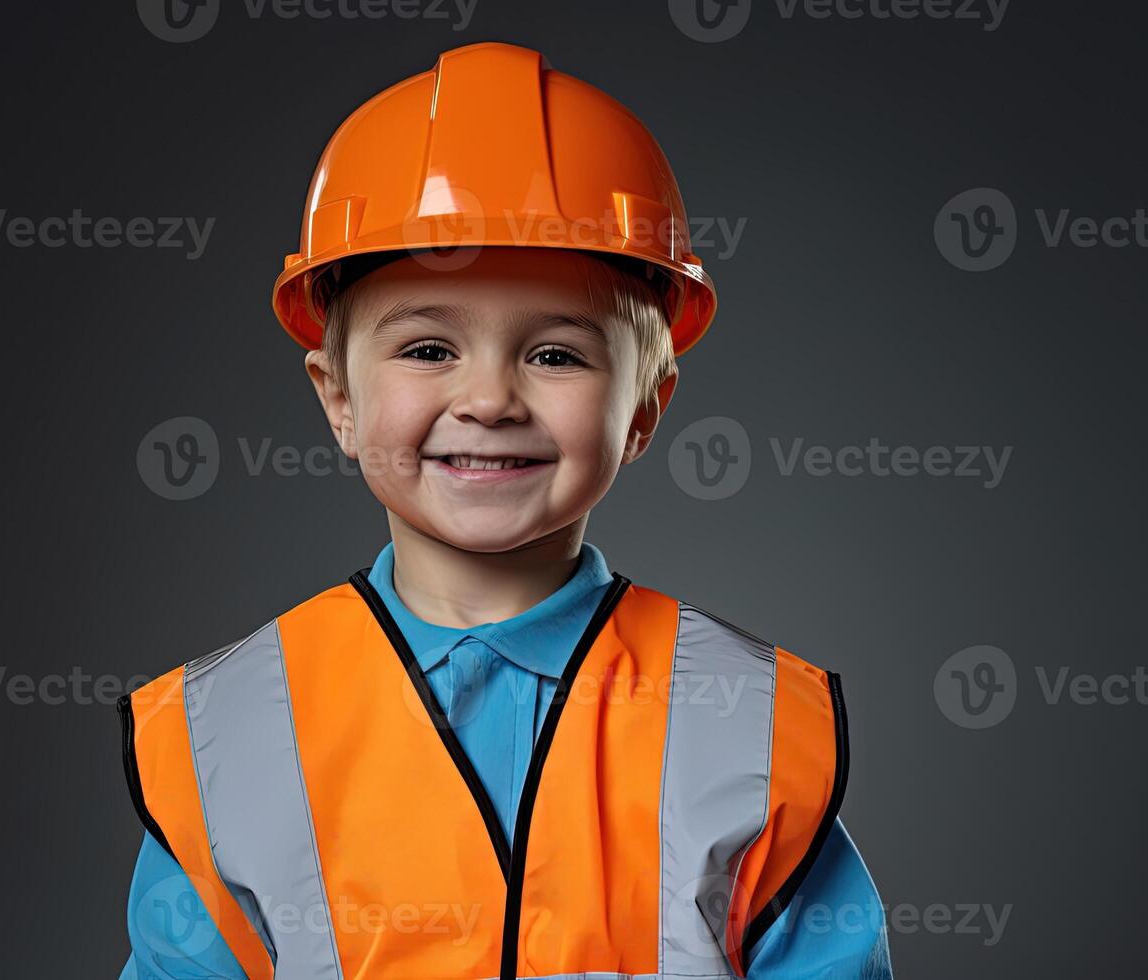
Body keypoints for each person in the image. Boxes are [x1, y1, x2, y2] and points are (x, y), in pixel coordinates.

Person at [117, 41, 893, 980]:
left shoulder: (751, 727)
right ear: (337, 398)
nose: (488, 399)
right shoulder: (225, 735)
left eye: (557, 355)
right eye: (429, 349)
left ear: (645, 406)